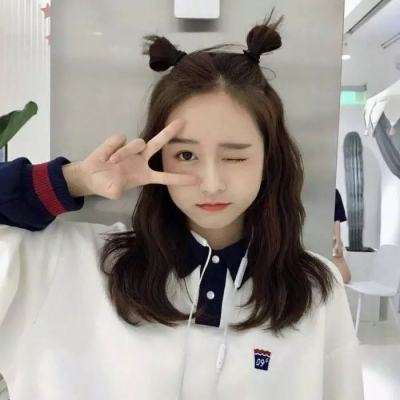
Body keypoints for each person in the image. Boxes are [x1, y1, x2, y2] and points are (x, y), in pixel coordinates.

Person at [0, 14, 363, 400]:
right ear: (159, 157)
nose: (211, 182)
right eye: (186, 155)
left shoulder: (313, 287)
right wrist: (75, 179)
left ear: (268, 162)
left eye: (235, 157)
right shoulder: (69, 262)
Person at [332, 189, 352, 283]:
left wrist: (338, 242)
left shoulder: (333, 192)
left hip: (330, 236)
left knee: (345, 278)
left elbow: (337, 219)